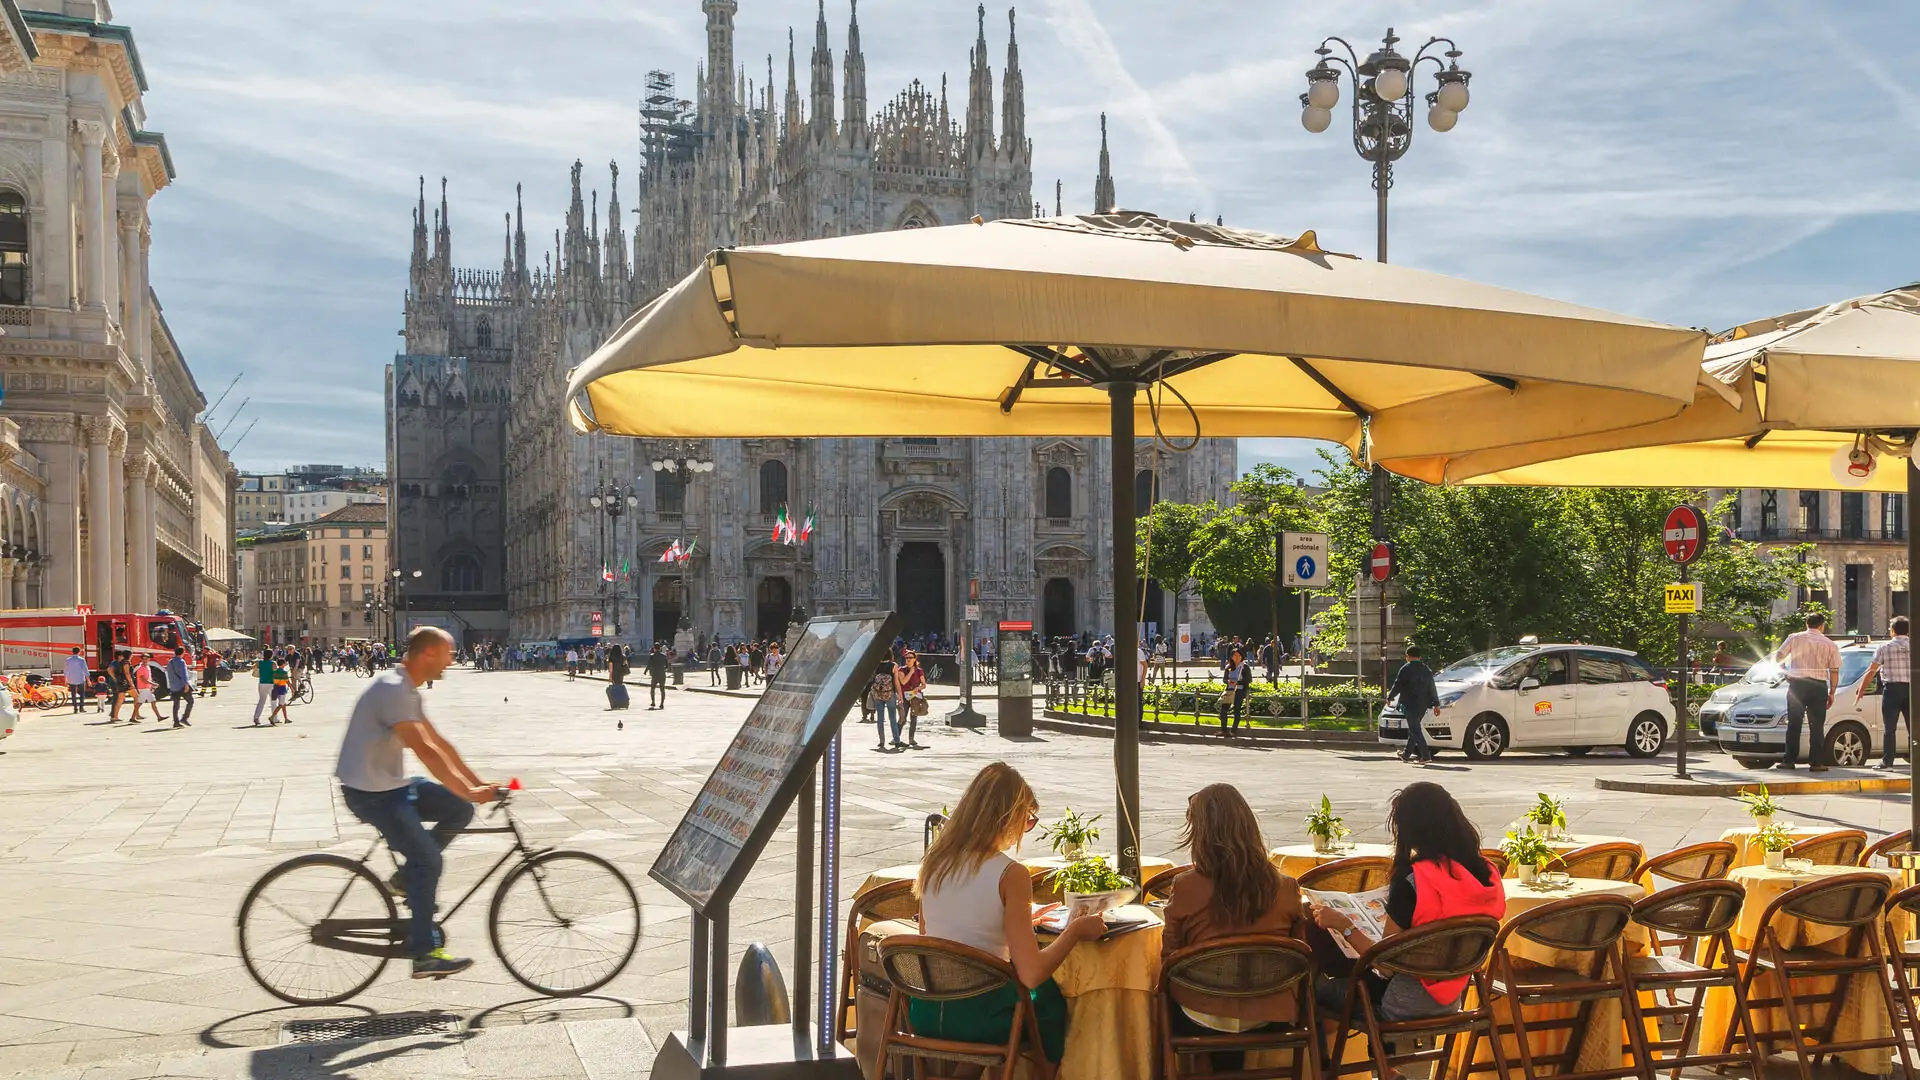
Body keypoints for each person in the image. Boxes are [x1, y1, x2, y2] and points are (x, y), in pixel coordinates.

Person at [337, 626, 500, 980]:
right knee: (429, 860)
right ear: (428, 654)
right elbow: (424, 750)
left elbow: (439, 742)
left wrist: (475, 785)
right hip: (371, 793)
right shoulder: (395, 691)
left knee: (459, 809)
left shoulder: (407, 690)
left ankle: (404, 879)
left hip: (390, 785)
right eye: (449, 654)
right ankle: (424, 952)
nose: (452, 661)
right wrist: (467, 788)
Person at [913, 763, 1103, 1063]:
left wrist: (1013, 924)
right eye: (1027, 819)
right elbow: (1032, 973)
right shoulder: (1010, 873)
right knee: (1051, 998)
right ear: (1008, 817)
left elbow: (933, 936)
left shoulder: (934, 863)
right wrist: (1074, 932)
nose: (1025, 828)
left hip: (924, 1008)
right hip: (980, 1017)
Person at [1310, 782, 1505, 1029]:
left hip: (1396, 1005)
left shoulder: (1414, 880)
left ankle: (1323, 1065)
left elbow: (1384, 965)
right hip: (1452, 1001)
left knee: (1311, 987)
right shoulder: (1486, 874)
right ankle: (1387, 1067)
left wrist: (1344, 925)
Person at [1161, 784, 1305, 1071]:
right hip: (1269, 1011)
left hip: (1201, 1011)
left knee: (1157, 996)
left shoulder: (1186, 886)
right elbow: (1301, 955)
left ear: (1200, 833)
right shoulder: (1286, 887)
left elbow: (1169, 956)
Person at [1772, 613, 1841, 771]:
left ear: (1806, 623)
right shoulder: (1829, 644)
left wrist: (1785, 672)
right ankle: (1816, 762)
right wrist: (1832, 692)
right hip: (1818, 686)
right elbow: (1834, 670)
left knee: (1794, 723)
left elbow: (1779, 656)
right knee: (1817, 725)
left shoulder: (1794, 638)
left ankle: (1789, 760)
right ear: (1822, 626)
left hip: (1797, 685)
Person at [1861, 616, 1912, 770]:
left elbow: (1871, 671)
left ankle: (1887, 762)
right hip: (1912, 689)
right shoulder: (1915, 645)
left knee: (1889, 728)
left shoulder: (1884, 647)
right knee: (1914, 728)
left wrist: (1862, 689)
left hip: (1892, 690)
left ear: (1893, 630)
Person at [1388, 645, 1439, 765]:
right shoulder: (1426, 669)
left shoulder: (1406, 669)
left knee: (1415, 729)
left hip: (1409, 703)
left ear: (1407, 657)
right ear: (1420, 657)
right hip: (1423, 704)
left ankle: (1426, 755)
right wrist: (1436, 704)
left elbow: (1398, 685)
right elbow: (1432, 687)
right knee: (1414, 728)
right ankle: (1406, 755)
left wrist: (1390, 697)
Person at [866, 657, 901, 751]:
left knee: (880, 719)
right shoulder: (894, 665)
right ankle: (897, 740)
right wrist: (900, 694)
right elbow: (896, 681)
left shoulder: (876, 664)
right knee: (892, 718)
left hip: (878, 694)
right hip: (890, 694)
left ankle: (882, 741)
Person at [897, 649, 927, 750]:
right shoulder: (901, 670)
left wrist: (918, 688)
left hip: (915, 697)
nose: (908, 660)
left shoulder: (919, 671)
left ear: (915, 659)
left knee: (914, 718)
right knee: (902, 717)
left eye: (910, 658)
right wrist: (910, 672)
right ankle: (896, 738)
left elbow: (924, 685)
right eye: (907, 658)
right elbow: (903, 682)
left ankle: (911, 738)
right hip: (905, 696)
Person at [1219, 647, 1253, 737]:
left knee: (1236, 710)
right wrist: (1228, 681)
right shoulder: (1229, 667)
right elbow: (1224, 679)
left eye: (1238, 656)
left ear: (1242, 657)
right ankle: (1224, 730)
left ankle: (1233, 731)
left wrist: (1238, 682)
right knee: (1223, 710)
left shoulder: (1245, 667)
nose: (1236, 658)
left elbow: (1249, 679)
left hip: (1240, 690)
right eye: (1234, 656)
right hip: (1229, 690)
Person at [165, 646, 195, 729]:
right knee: (190, 701)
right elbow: (184, 674)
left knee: (176, 705)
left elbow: (169, 674)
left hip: (174, 686)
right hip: (181, 686)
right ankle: (185, 718)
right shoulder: (181, 662)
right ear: (182, 653)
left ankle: (176, 721)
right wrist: (186, 685)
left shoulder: (170, 662)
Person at [63, 646, 91, 714]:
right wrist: (88, 680)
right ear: (79, 652)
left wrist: (66, 679)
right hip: (80, 678)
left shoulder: (68, 660)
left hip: (71, 679)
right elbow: (85, 670)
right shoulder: (81, 660)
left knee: (73, 694)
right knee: (82, 694)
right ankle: (81, 707)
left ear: (72, 652)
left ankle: (75, 708)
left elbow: (66, 670)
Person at [252, 651, 277, 726]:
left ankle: (256, 717)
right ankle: (274, 717)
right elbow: (275, 671)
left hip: (262, 683)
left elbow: (253, 667)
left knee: (261, 701)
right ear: (271, 655)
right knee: (273, 701)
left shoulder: (260, 663)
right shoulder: (273, 663)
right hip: (271, 683)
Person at [645, 643, 670, 710]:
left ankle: (653, 702)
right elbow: (667, 666)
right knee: (662, 689)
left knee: (652, 688)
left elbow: (649, 665)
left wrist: (645, 672)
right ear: (660, 648)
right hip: (662, 674)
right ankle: (662, 704)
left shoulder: (652, 656)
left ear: (654, 649)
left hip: (655, 674)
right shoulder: (664, 656)